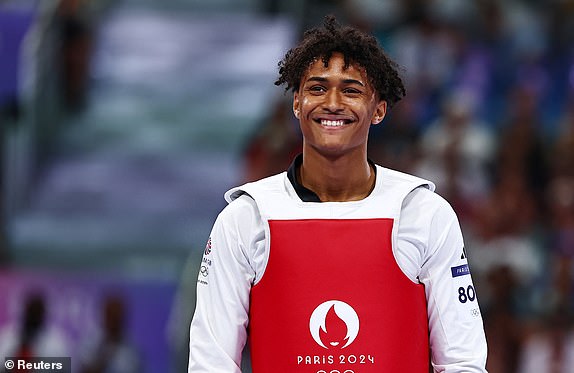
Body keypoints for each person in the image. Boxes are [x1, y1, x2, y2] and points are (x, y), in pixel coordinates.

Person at [188, 15, 488, 372]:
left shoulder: (423, 212)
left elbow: (462, 361)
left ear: (378, 110)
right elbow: (211, 363)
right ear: (296, 103)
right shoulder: (246, 218)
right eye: (317, 88)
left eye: (351, 90)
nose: (332, 102)